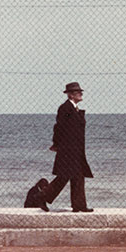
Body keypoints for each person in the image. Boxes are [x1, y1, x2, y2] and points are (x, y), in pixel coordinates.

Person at [44, 82, 94, 212]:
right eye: (78, 92)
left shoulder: (74, 108)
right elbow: (59, 127)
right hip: (68, 149)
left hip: (76, 149)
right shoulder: (65, 108)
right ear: (71, 95)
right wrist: (56, 144)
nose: (81, 94)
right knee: (65, 176)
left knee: (77, 175)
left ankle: (79, 205)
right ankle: (41, 197)